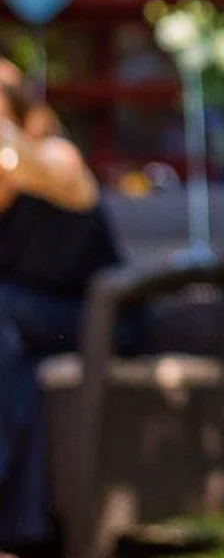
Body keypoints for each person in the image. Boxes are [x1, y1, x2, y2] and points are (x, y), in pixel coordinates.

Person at [0, 76, 122, 555]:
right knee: (15, 367)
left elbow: (41, 170)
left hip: (98, 318)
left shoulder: (56, 157)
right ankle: (19, 526)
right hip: (22, 331)